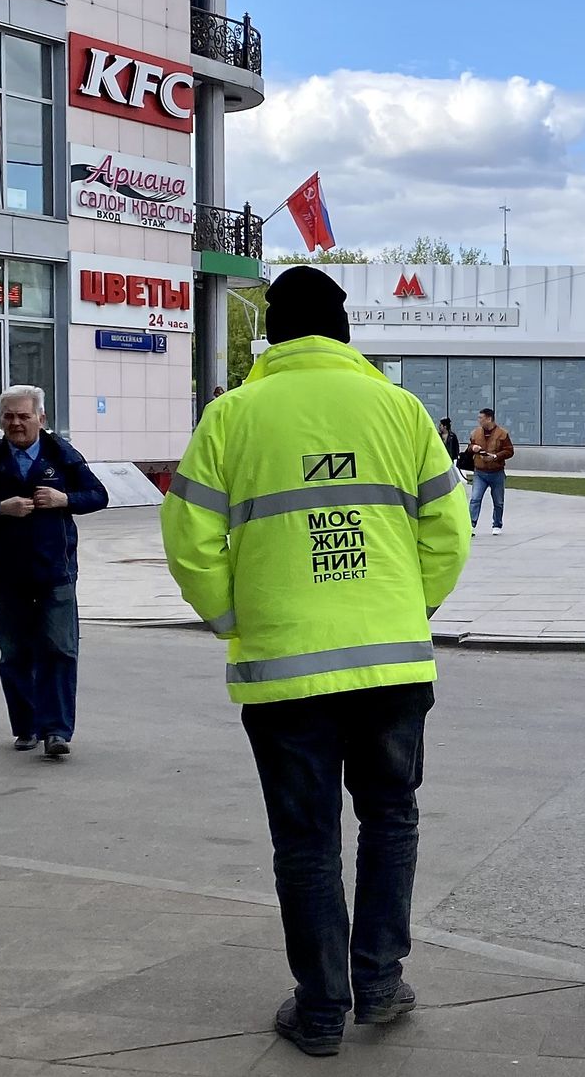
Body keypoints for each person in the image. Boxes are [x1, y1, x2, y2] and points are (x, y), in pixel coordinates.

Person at [160, 265, 471, 1058]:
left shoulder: (231, 416)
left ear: (272, 335)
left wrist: (240, 619)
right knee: (390, 819)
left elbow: (190, 543)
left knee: (305, 840)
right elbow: (449, 531)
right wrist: (412, 607)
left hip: (285, 669)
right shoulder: (400, 412)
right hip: (393, 665)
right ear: (344, 331)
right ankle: (378, 982)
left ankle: (321, 1007)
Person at [0, 386, 108, 759]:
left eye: (23, 416)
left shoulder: (60, 454)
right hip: (6, 571)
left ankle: (56, 731)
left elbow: (98, 495)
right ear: (0, 419)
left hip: (56, 569)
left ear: (41, 418)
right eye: (8, 416)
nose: (16, 423)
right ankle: (27, 726)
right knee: (15, 652)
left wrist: (64, 499)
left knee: (59, 649)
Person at [467, 406, 514, 535]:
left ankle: (497, 524)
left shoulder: (502, 434)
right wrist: (473, 448)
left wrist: (496, 456)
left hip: (496, 472)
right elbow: (469, 447)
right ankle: (471, 524)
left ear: (489, 418)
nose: (479, 420)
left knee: (498, 501)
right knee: (475, 499)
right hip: (480, 472)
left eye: (481, 418)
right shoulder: (475, 433)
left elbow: (510, 451)